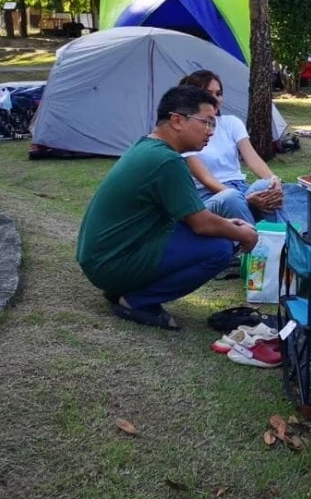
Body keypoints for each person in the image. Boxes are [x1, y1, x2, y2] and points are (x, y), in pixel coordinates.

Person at [76, 85, 260, 331]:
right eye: (206, 122)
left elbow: (190, 216)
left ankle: (127, 288)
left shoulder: (149, 147)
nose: (211, 131)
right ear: (177, 121)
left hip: (104, 257)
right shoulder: (167, 161)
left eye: (213, 124)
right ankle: (136, 301)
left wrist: (227, 224)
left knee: (216, 234)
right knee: (219, 249)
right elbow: (202, 224)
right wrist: (243, 234)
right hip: (110, 264)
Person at [178, 70, 283, 225]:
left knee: (268, 187)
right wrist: (243, 198)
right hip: (209, 195)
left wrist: (274, 181)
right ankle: (251, 239)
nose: (215, 98)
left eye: (218, 93)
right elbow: (206, 179)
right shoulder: (187, 130)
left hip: (239, 187)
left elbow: (253, 159)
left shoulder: (231, 123)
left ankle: (285, 238)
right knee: (232, 198)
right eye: (208, 93)